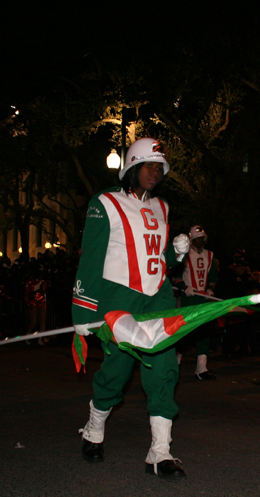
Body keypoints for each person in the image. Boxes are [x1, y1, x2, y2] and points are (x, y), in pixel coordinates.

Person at [72, 137, 190, 479]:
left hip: (158, 300)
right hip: (118, 301)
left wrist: (177, 254)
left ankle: (160, 452)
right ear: (133, 167)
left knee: (165, 369)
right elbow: (91, 261)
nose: (156, 171)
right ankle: (94, 431)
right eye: (150, 165)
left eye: (160, 167)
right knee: (116, 373)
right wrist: (83, 313)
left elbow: (157, 260)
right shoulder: (104, 202)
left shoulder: (163, 207)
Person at [174, 225, 218, 380]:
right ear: (192, 239)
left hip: (204, 298)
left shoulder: (210, 255)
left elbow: (212, 276)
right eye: (198, 238)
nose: (202, 240)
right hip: (189, 298)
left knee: (203, 333)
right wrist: (184, 287)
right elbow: (175, 275)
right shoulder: (184, 255)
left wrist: (210, 289)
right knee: (185, 331)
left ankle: (201, 368)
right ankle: (174, 365)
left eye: (203, 237)